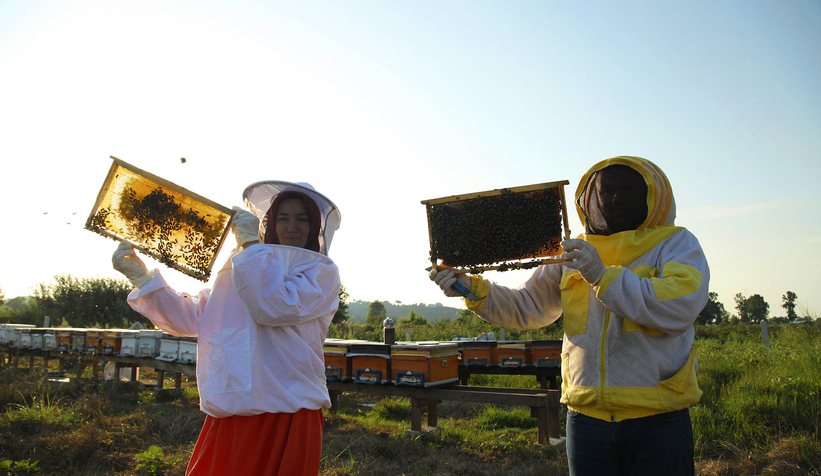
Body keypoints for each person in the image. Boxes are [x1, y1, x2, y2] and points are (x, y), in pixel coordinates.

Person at [430, 156, 709, 476]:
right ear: (592, 197)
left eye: (629, 189)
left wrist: (602, 276)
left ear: (653, 195)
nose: (616, 198)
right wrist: (471, 288)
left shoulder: (676, 244)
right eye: (607, 191)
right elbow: (529, 305)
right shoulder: (574, 252)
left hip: (657, 415)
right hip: (585, 415)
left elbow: (681, 305)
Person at [112, 181, 341, 476]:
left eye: (301, 218)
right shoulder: (242, 263)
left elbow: (275, 305)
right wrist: (143, 280)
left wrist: (249, 248)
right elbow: (195, 318)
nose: (291, 227)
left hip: (288, 405)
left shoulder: (320, 272)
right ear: (269, 223)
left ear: (315, 226)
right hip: (235, 402)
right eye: (283, 218)